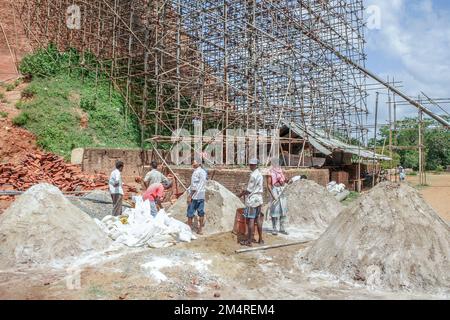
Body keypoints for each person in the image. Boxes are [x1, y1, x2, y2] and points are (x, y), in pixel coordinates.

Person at [239, 158, 264, 247]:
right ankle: (260, 239)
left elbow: (249, 190)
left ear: (256, 165)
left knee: (250, 220)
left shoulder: (253, 175)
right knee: (258, 219)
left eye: (252, 165)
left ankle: (249, 241)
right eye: (250, 164)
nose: (250, 166)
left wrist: (241, 194)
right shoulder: (260, 174)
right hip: (259, 199)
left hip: (252, 200)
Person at [268, 158, 289, 235]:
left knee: (283, 210)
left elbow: (285, 180)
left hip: (282, 191)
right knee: (275, 211)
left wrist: (287, 180)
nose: (277, 164)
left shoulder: (281, 171)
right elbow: (269, 184)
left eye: (278, 163)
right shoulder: (270, 172)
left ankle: (282, 228)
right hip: (275, 191)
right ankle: (274, 228)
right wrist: (273, 195)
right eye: (275, 163)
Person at [186, 160, 207, 235]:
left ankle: (189, 230)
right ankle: (200, 229)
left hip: (195, 196)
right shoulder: (204, 172)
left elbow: (194, 187)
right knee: (201, 213)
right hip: (202, 195)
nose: (192, 164)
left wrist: (189, 196)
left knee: (190, 213)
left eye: (194, 162)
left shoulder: (196, 172)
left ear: (199, 163)